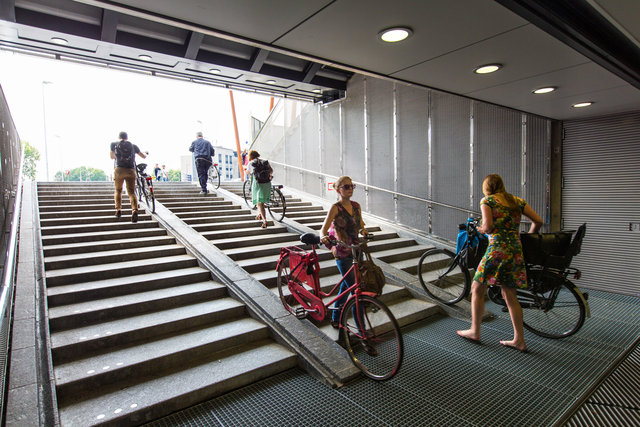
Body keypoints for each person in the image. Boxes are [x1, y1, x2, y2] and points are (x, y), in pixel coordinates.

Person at [457, 174, 542, 353]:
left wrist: (480, 228)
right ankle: (519, 340)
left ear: (487, 187)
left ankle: (474, 331)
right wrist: (530, 237)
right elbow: (538, 221)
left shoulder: (488, 201)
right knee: (510, 295)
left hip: (497, 250)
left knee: (477, 288)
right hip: (515, 251)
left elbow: (487, 227)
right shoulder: (517, 201)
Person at [320, 176, 369, 329]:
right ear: (338, 189)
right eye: (346, 186)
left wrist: (364, 230)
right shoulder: (336, 207)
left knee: (347, 285)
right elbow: (323, 228)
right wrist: (323, 237)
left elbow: (360, 224)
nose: (349, 189)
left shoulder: (356, 206)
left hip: (356, 250)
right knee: (355, 291)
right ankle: (362, 332)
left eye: (351, 186)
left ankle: (335, 317)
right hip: (341, 251)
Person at [110, 131, 148, 223]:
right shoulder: (133, 146)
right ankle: (134, 210)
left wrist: (119, 157)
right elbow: (143, 156)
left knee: (118, 190)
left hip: (119, 170)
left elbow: (111, 156)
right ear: (127, 138)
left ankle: (118, 209)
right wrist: (146, 153)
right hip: (131, 170)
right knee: (131, 192)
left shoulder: (114, 144)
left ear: (119, 137)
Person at [246, 150, 272, 228]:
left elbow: (248, 172)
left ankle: (264, 221)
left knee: (260, 203)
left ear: (250, 156)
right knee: (261, 202)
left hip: (258, 184)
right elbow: (271, 170)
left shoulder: (251, 163)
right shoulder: (264, 162)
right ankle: (259, 215)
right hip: (267, 183)